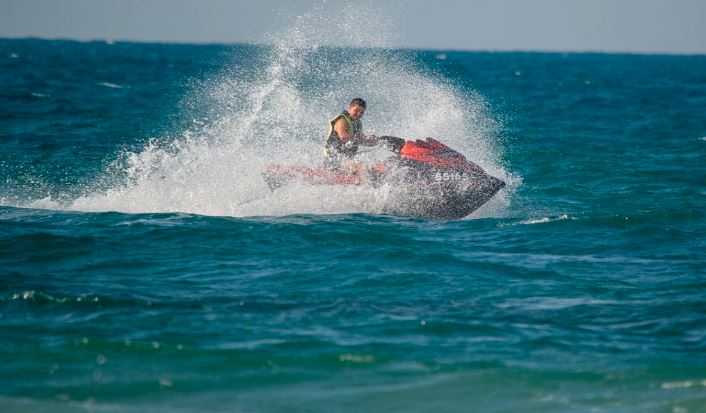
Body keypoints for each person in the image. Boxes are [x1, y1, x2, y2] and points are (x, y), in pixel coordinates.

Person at [323, 98, 378, 175]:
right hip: (334, 160)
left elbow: (362, 140)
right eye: (356, 110)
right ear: (349, 108)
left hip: (347, 160)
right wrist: (360, 139)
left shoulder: (357, 123)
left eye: (361, 112)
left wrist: (374, 141)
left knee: (372, 165)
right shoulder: (342, 120)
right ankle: (374, 185)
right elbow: (343, 136)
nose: (359, 114)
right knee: (362, 166)